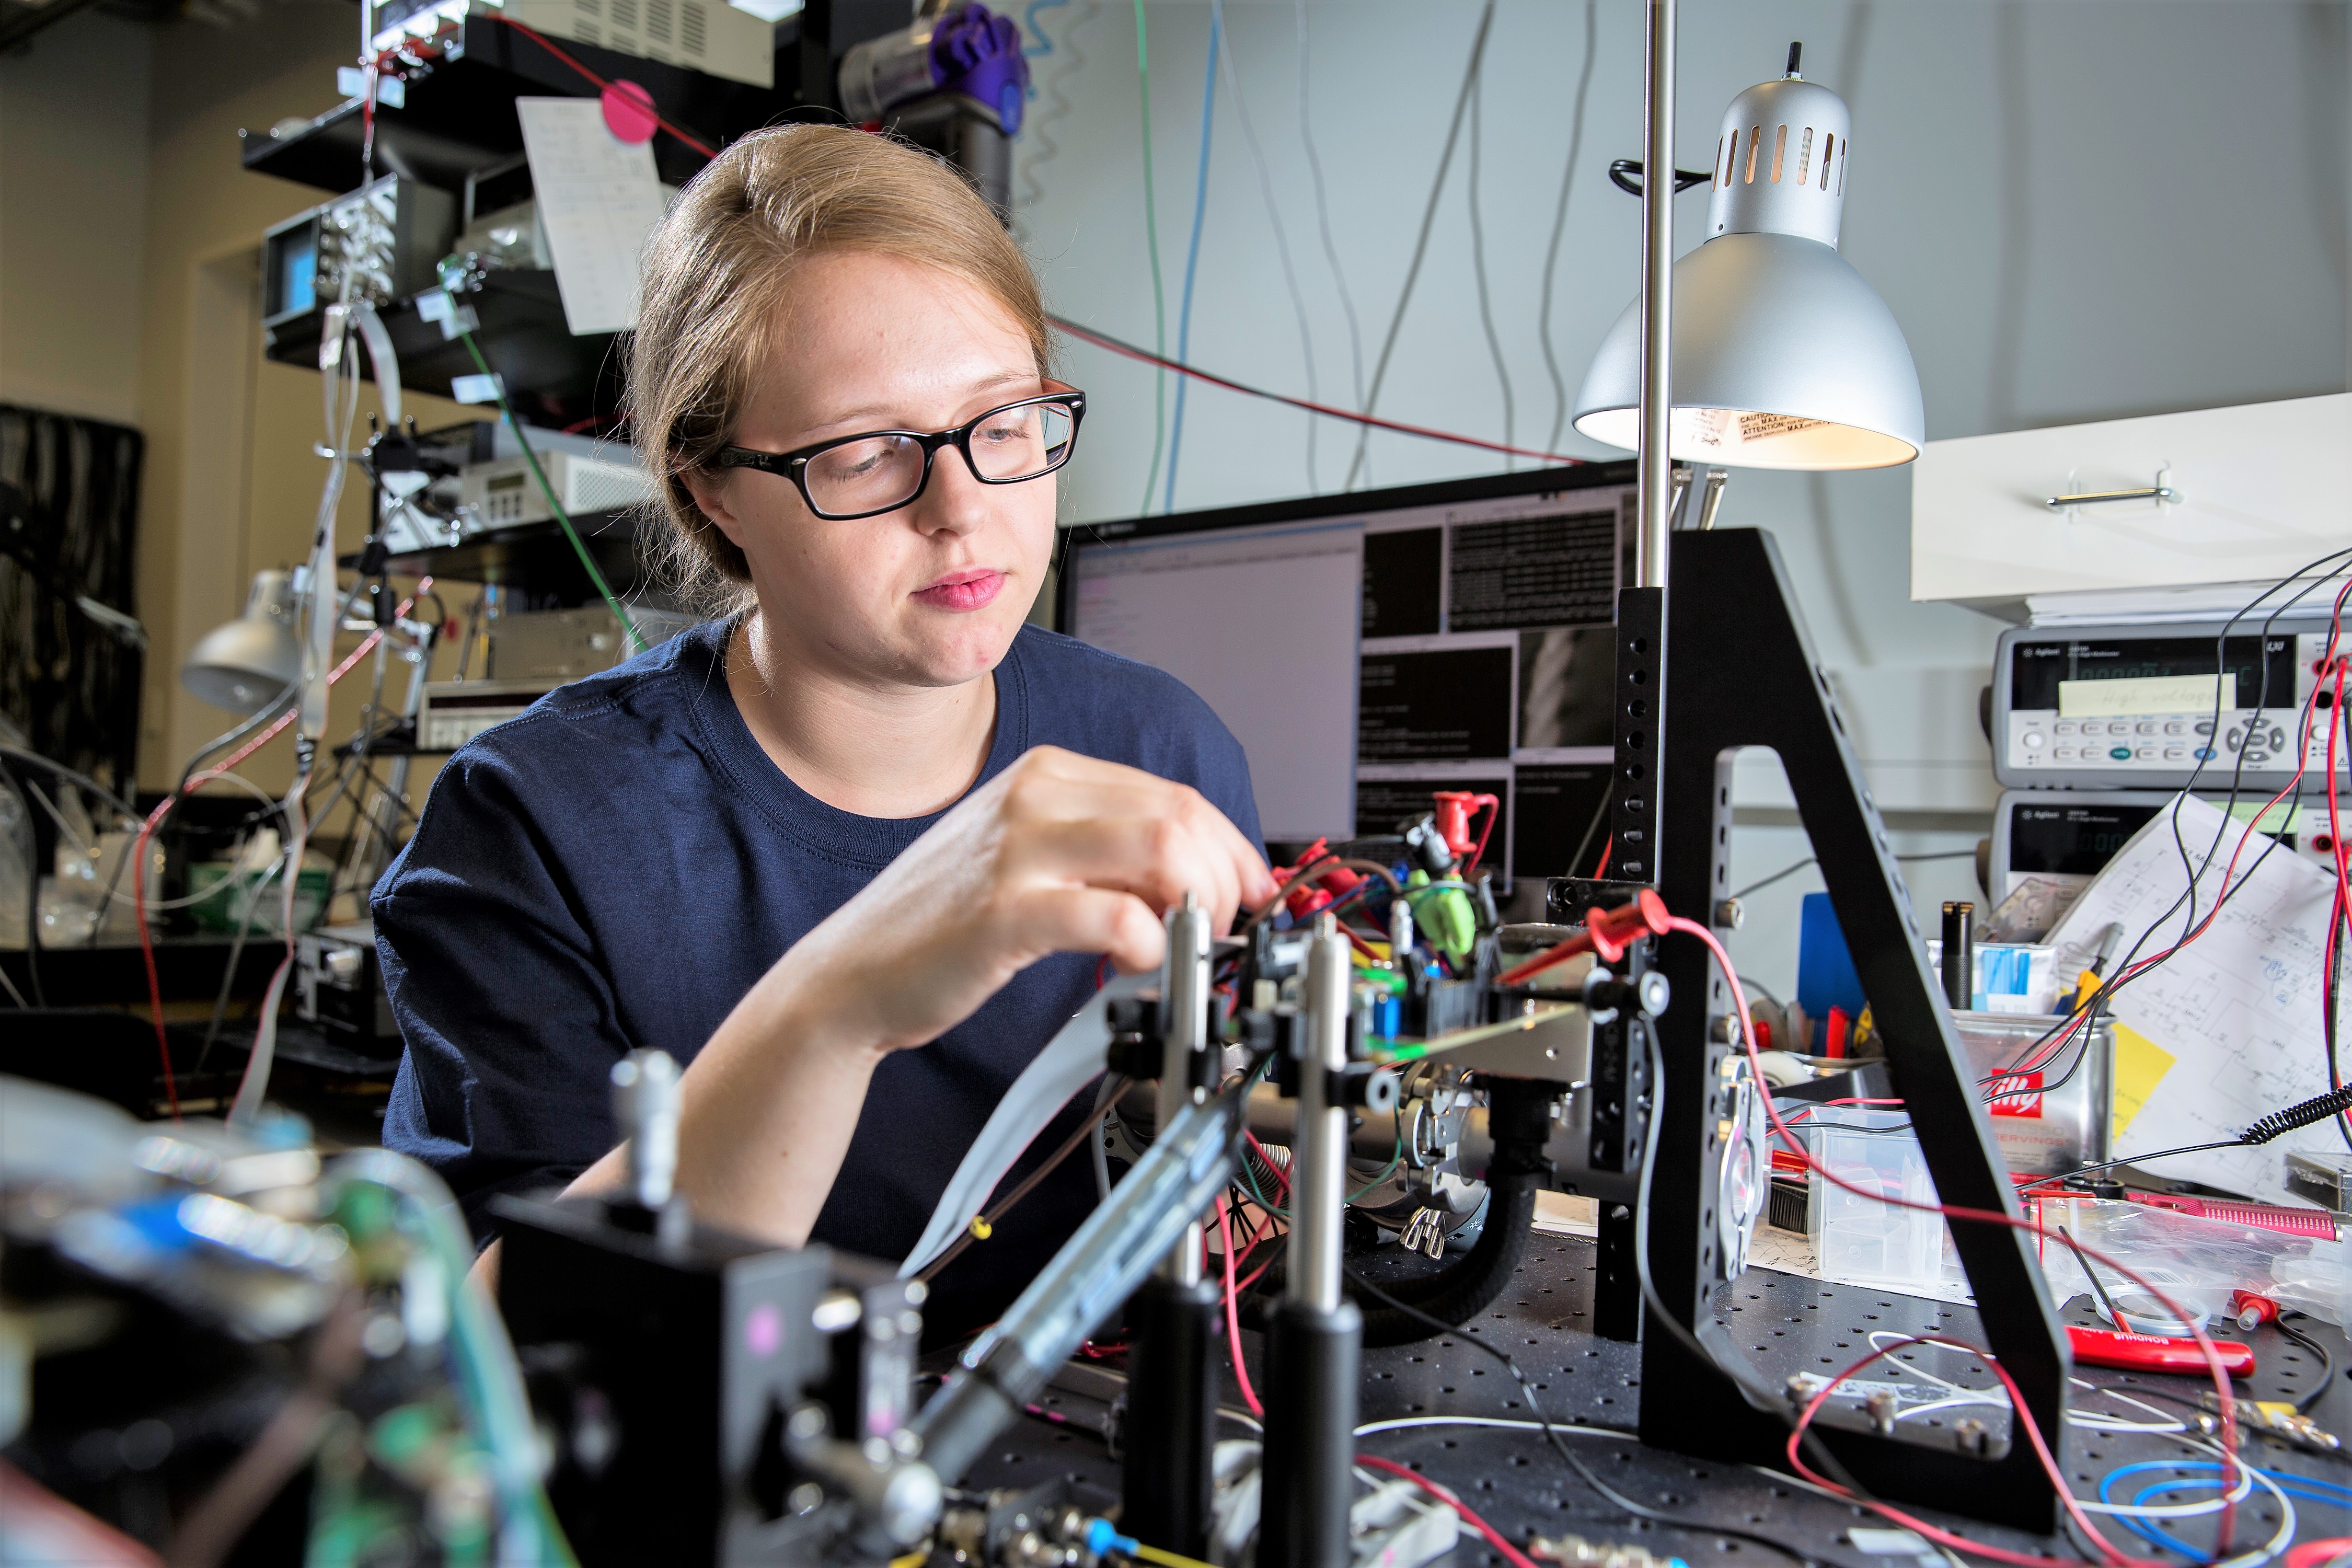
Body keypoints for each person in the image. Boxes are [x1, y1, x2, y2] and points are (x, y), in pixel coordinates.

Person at [374, 125, 1274, 1333]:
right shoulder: (536, 826)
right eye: (863, 452)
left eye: (1004, 425)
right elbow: (481, 1361)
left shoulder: (1161, 749)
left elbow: (1231, 1190)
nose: (965, 513)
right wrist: (836, 1006)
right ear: (711, 486)